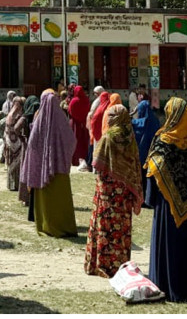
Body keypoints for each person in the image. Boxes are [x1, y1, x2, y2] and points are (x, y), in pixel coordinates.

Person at [144, 97, 187, 302]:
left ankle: (166, 284)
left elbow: (153, 169)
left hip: (166, 206)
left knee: (169, 245)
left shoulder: (162, 139)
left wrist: (151, 198)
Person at [85, 103, 141, 278]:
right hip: (124, 193)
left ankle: (104, 265)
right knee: (122, 228)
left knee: (106, 226)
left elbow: (97, 163)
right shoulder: (130, 137)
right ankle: (120, 263)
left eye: (110, 116)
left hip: (108, 192)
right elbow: (134, 164)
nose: (107, 119)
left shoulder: (109, 138)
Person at [23, 90, 78, 237]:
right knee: (60, 199)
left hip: (42, 173)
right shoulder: (61, 122)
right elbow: (71, 141)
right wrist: (60, 156)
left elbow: (32, 146)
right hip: (59, 171)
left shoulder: (38, 122)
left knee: (47, 201)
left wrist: (41, 161)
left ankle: (46, 225)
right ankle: (63, 226)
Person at [131, 97, 161, 207]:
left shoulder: (136, 123)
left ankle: (140, 199)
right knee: (150, 179)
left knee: (140, 179)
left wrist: (132, 112)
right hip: (152, 156)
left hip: (140, 156)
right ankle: (149, 200)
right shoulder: (156, 121)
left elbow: (126, 121)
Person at [2, 95, 28, 193]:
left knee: (11, 164)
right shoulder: (18, 115)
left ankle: (11, 185)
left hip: (9, 142)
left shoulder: (10, 114)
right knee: (17, 164)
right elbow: (18, 128)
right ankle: (16, 184)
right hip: (16, 142)